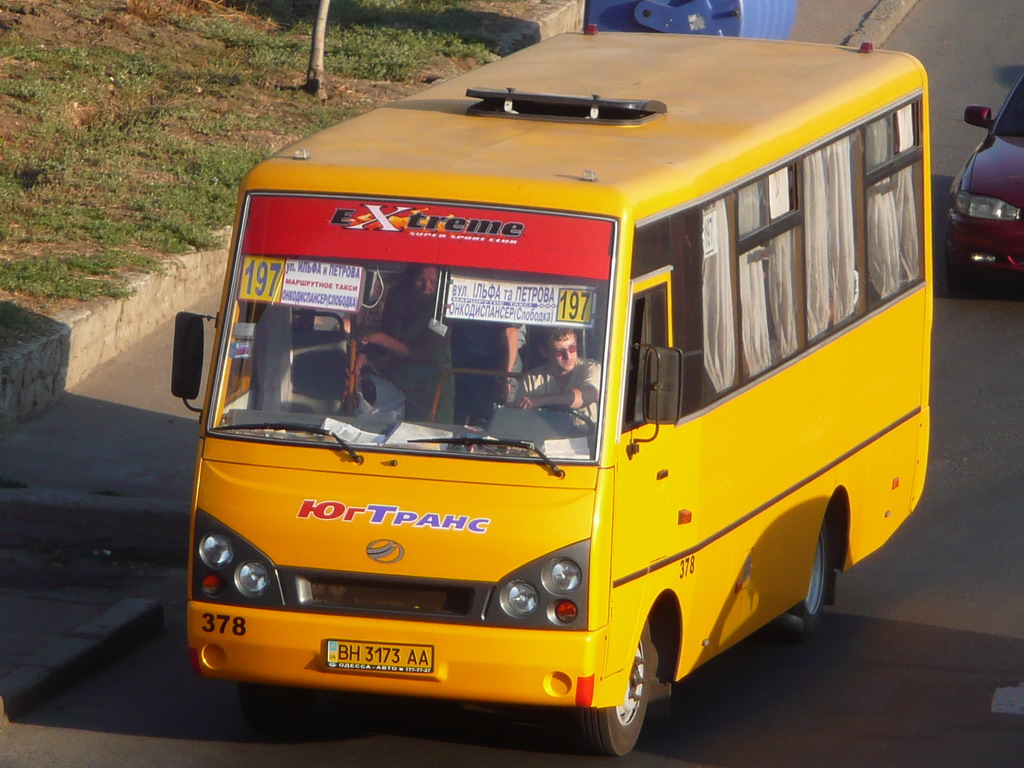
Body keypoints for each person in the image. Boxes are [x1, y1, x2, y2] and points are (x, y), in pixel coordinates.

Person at [356, 264, 453, 422]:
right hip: (392, 388)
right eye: (419, 280)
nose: (425, 287)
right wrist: (365, 356)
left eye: (433, 283)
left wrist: (380, 338)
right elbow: (386, 331)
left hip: (430, 393)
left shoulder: (443, 310)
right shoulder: (397, 297)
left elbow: (423, 353)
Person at [514, 327, 600, 422]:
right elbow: (520, 419)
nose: (568, 356)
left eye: (572, 348)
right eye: (559, 352)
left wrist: (539, 401)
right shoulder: (531, 380)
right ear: (544, 352)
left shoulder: (592, 368)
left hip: (585, 435)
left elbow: (587, 395)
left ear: (575, 340)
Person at [451, 321, 524, 426]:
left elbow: (511, 332)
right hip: (467, 367)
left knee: (503, 423)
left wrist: (505, 378)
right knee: (465, 425)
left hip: (500, 368)